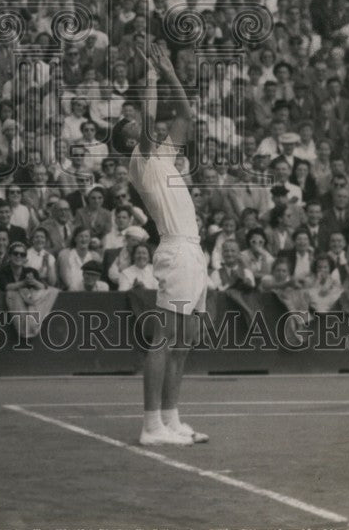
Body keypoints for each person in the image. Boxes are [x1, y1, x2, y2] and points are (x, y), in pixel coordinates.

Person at [126, 41, 209, 447]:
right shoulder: (141, 164)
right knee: (164, 340)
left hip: (194, 252)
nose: (143, 127)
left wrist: (172, 72)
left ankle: (172, 419)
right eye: (129, 126)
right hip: (175, 251)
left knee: (185, 342)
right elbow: (147, 121)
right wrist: (154, 79)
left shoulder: (168, 153)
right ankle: (151, 425)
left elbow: (186, 116)